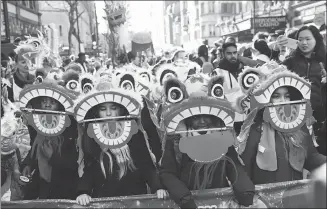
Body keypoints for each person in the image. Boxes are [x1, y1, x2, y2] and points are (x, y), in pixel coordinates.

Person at [159, 74, 255, 209]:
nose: (202, 121)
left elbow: (234, 165)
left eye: (206, 116)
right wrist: (184, 198)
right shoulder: (175, 140)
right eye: (196, 116)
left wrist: (245, 190)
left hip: (219, 202)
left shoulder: (222, 135)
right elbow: (167, 173)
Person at [75, 81, 167, 206]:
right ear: (97, 112)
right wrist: (83, 192)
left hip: (135, 199)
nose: (108, 113)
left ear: (120, 109)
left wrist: (157, 187)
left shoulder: (134, 132)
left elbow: (146, 164)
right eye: (103, 109)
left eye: (113, 108)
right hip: (105, 200)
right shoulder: (91, 135)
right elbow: (90, 168)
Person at [236, 64, 326, 185]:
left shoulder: (299, 125)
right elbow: (244, 167)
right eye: (276, 96)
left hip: (294, 196)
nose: (283, 101)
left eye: (287, 96)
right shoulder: (255, 128)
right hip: (265, 200)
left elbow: (311, 156)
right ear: (267, 99)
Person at [20, 80, 79, 200]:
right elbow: (34, 148)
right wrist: (28, 165)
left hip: (65, 186)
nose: (47, 105)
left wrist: (52, 157)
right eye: (44, 101)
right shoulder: (36, 124)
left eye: (52, 102)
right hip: (42, 183)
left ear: (60, 104)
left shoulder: (72, 128)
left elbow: (75, 163)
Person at [281, 25, 326, 143]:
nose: (303, 43)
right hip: (295, 115)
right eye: (300, 40)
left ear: (316, 39)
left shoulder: (323, 61)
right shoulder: (290, 61)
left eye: (308, 39)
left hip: (320, 116)